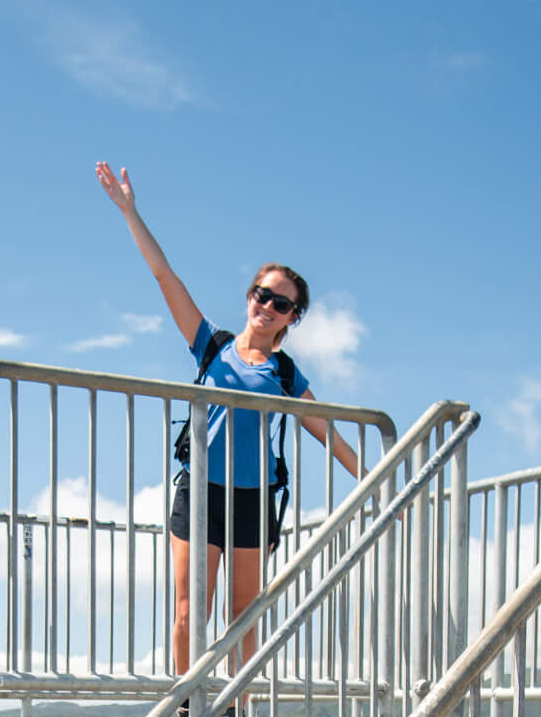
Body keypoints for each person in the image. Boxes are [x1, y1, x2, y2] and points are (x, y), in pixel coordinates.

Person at [96, 161, 361, 679]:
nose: (268, 305)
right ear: (249, 297)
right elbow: (163, 274)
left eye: (281, 302)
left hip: (253, 498)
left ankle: (236, 713)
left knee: (242, 616)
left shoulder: (285, 372)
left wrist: (374, 482)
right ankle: (186, 708)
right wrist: (131, 212)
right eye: (262, 294)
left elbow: (326, 430)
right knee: (190, 609)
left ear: (292, 317)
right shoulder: (211, 346)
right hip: (199, 490)